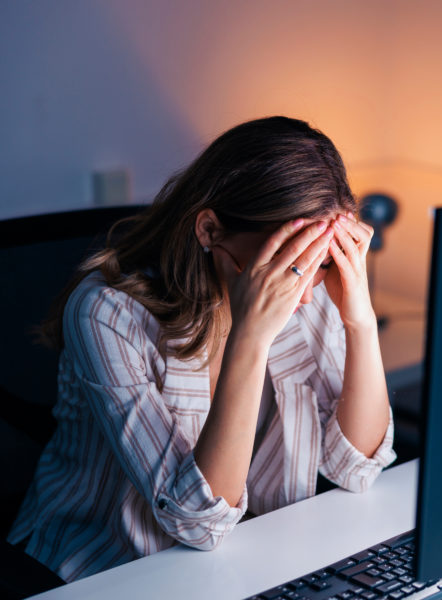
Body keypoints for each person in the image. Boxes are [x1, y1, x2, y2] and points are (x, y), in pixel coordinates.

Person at [7, 116, 396, 582]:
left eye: (319, 261)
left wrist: (360, 319)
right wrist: (250, 337)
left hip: (244, 562)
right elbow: (197, 522)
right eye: (285, 263)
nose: (305, 293)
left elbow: (356, 467)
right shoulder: (105, 313)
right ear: (210, 230)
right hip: (107, 569)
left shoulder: (311, 290)